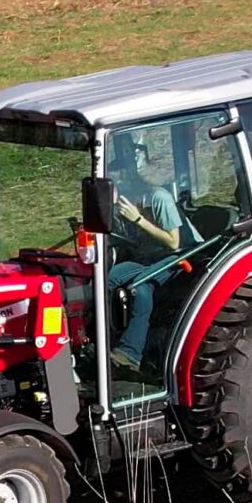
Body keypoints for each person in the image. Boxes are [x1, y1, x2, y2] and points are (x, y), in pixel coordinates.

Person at [106, 138, 190, 371]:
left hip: (180, 256)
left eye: (116, 182)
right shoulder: (124, 202)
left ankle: (130, 354)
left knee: (139, 287)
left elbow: (174, 242)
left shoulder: (158, 198)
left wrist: (138, 219)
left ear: (129, 179)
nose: (115, 188)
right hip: (146, 257)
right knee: (107, 280)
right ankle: (103, 339)